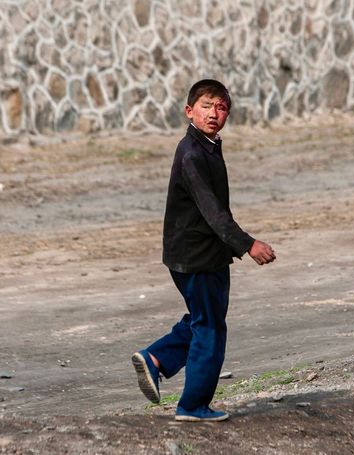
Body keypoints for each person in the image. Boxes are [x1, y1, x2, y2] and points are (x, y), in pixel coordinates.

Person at [131, 79, 276, 422]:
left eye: (221, 107)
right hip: (197, 258)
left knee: (202, 319)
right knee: (210, 328)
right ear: (190, 111)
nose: (214, 114)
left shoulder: (207, 146)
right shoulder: (193, 153)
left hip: (194, 254)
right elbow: (213, 212)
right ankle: (192, 406)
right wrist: (248, 244)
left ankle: (155, 359)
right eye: (207, 106)